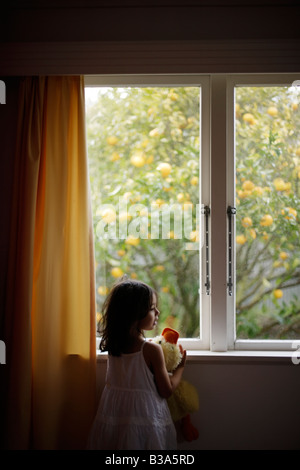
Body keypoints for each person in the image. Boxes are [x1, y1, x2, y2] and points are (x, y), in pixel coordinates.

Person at [87, 277, 186, 450]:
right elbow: (166, 390)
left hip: (116, 418)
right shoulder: (151, 350)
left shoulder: (113, 346)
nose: (158, 313)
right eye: (152, 309)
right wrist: (180, 368)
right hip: (145, 419)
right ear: (134, 314)